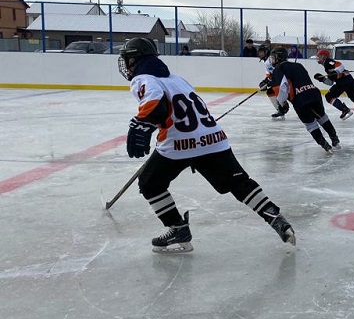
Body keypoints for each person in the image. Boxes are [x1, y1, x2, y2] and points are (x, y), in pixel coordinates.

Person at [117, 37, 295, 253]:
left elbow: (155, 103)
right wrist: (151, 123)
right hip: (213, 139)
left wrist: (140, 125)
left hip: (178, 144)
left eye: (127, 60)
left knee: (149, 184)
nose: (126, 65)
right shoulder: (177, 79)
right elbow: (170, 109)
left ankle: (178, 229)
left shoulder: (143, 78)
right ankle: (275, 218)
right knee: (239, 183)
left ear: (135, 59)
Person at [270, 47, 341, 153]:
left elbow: (282, 88)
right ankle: (335, 140)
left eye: (274, 57)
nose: (272, 59)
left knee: (311, 125)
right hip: (314, 94)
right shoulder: (298, 65)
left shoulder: (278, 69)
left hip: (300, 100)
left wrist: (282, 103)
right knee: (322, 117)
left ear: (279, 57)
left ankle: (325, 145)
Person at [313, 49, 354, 120]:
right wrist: (322, 79)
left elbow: (340, 65)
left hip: (343, 81)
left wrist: (335, 71)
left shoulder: (328, 62)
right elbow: (330, 82)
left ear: (324, 57)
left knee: (329, 97)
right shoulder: (327, 65)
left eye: (319, 56)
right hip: (350, 79)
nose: (318, 58)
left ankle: (345, 110)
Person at [256, 44, 285, 121]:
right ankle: (280, 110)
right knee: (270, 91)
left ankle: (283, 108)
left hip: (283, 79)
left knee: (276, 89)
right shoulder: (266, 62)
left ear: (265, 52)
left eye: (261, 52)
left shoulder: (270, 59)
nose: (259, 54)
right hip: (277, 79)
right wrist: (265, 81)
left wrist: (270, 80)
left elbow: (278, 69)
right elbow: (269, 74)